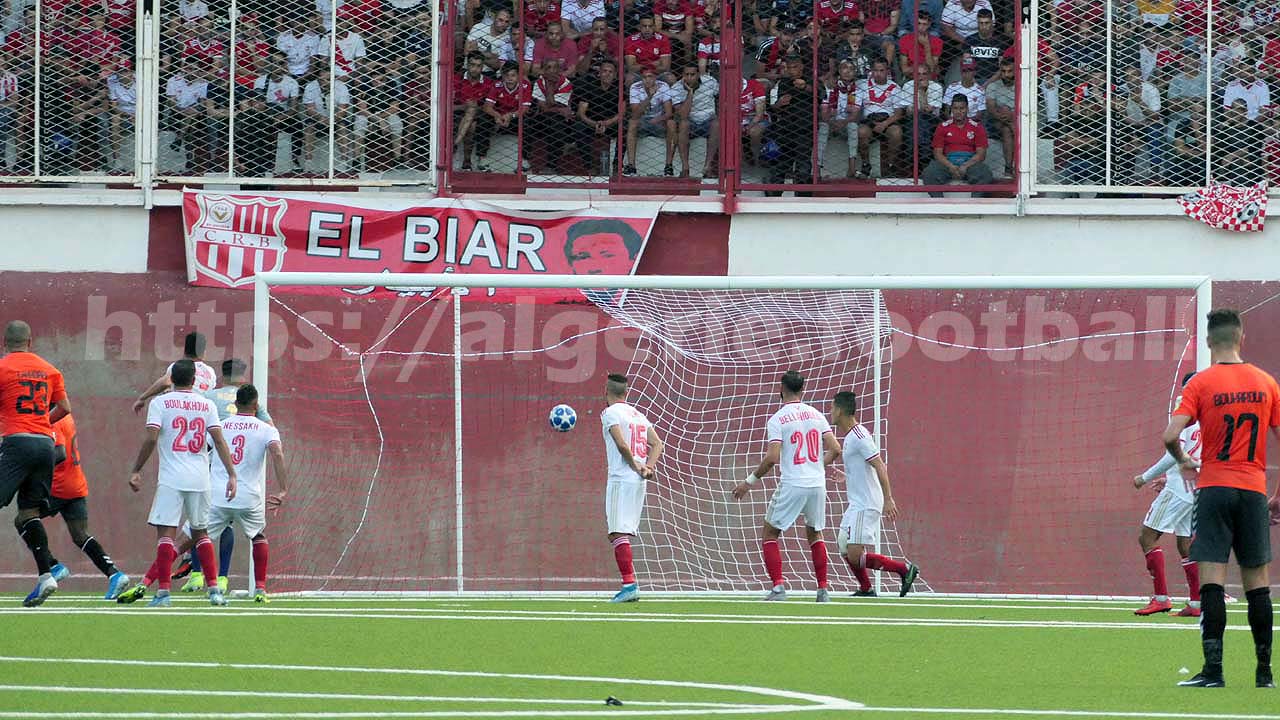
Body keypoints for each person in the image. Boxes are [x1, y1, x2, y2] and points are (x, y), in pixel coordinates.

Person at [1165, 309, 1280, 689]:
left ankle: (1213, 671)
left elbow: (1170, 435)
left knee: (1212, 581)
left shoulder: (1201, 383)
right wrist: (1278, 496)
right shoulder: (1266, 382)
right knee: (1257, 583)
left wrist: (1184, 460)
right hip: (1253, 490)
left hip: (1214, 488)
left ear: (1210, 341)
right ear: (1242, 338)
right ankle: (1264, 674)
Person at [116, 359, 238, 608]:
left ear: (171, 379)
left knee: (166, 535)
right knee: (201, 533)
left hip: (171, 478)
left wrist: (137, 469)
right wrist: (231, 474)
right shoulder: (206, 404)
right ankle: (214, 591)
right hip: (200, 477)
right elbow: (219, 441)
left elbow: (151, 439)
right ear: (194, 380)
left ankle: (163, 593)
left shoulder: (159, 403)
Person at [732, 370, 841, 602]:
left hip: (793, 482)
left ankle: (779, 587)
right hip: (817, 483)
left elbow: (772, 458)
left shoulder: (778, 419)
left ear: (781, 389)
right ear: (803, 389)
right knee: (815, 533)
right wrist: (816, 466)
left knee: (770, 532)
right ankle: (823, 590)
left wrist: (748, 482)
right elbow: (836, 449)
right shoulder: (817, 414)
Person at [178, 358, 274, 593]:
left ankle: (197, 574)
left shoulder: (209, 396)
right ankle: (222, 578)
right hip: (240, 467)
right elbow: (270, 427)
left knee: (200, 521)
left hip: (212, 463)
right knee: (227, 523)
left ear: (223, 375)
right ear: (243, 376)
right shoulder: (251, 400)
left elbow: (197, 427)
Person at [0, 321, 73, 607]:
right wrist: (41, 423)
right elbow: (64, 408)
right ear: (30, 342)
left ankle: (47, 575)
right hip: (45, 445)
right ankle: (46, 576)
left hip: (17, 442)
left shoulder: (3, 368)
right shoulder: (50, 369)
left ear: (5, 342)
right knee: (29, 513)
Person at [828, 391, 920, 598]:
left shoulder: (860, 436)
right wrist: (846, 476)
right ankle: (866, 588)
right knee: (843, 545)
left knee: (854, 554)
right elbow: (863, 468)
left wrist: (888, 499)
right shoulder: (850, 437)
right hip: (857, 503)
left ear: (840, 410)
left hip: (866, 503)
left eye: (832, 408)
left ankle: (904, 570)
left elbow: (879, 465)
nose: (830, 412)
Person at [205, 384, 287, 603]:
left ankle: (209, 585)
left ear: (235, 404)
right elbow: (277, 454)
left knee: (199, 538)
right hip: (249, 497)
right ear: (256, 405)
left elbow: (204, 450)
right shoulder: (266, 429)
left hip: (218, 495)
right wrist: (283, 489)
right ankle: (260, 589)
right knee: (258, 536)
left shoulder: (220, 426)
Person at [1133, 372, 1202, 617]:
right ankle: (1196, 604)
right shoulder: (1207, 412)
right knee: (1185, 544)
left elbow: (1173, 452)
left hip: (1178, 489)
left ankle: (1161, 599)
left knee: (1147, 536)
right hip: (1193, 488)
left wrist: (1144, 477)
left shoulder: (1186, 406)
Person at [42, 413, 130, 600]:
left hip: (57, 487)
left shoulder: (51, 419)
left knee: (24, 519)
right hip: (75, 484)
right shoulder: (66, 416)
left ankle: (53, 566)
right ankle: (115, 574)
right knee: (80, 535)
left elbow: (59, 453)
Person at [601, 373, 663, 603]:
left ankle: (629, 585)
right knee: (622, 531)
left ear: (606, 391)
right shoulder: (638, 414)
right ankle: (629, 584)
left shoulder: (610, 413)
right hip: (638, 481)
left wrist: (635, 465)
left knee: (617, 531)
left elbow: (621, 444)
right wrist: (648, 467)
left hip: (621, 477)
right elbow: (657, 444)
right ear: (626, 393)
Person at [922, 93, 992, 193]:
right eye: (955, 108)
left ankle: (975, 201)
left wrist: (965, 166)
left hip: (970, 163)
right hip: (947, 162)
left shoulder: (977, 127)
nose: (958, 112)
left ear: (967, 109)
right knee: (929, 173)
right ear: (951, 109)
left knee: (985, 174)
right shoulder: (943, 126)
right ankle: (938, 201)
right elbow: (937, 153)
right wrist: (950, 166)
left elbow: (981, 154)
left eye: (962, 108)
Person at [133, 331, 217, 413]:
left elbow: (165, 382)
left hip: (179, 412)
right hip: (201, 414)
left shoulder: (178, 367)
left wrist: (142, 398)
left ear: (185, 351)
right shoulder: (210, 372)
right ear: (204, 352)